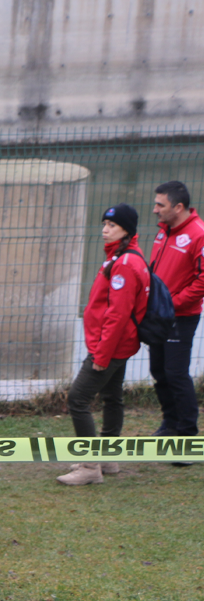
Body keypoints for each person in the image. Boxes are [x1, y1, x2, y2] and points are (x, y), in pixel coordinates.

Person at [58, 204, 149, 486]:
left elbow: (118, 315)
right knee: (112, 397)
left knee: (78, 398)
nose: (104, 230)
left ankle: (89, 466)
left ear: (127, 231)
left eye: (111, 225)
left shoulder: (124, 264)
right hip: (119, 345)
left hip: (110, 346)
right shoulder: (123, 256)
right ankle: (108, 456)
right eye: (104, 224)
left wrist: (101, 354)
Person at [149, 181, 204, 446]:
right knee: (158, 370)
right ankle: (169, 423)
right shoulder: (163, 232)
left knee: (175, 372)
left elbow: (202, 281)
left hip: (181, 316)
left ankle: (187, 435)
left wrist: (174, 304)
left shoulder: (198, 234)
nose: (155, 210)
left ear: (178, 207)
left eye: (161, 205)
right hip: (158, 314)